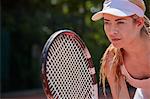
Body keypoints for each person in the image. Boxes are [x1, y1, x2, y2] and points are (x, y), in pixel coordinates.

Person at [91, 0, 150, 99]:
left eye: (120, 22)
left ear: (139, 23)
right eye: (107, 22)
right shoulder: (112, 58)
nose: (112, 31)